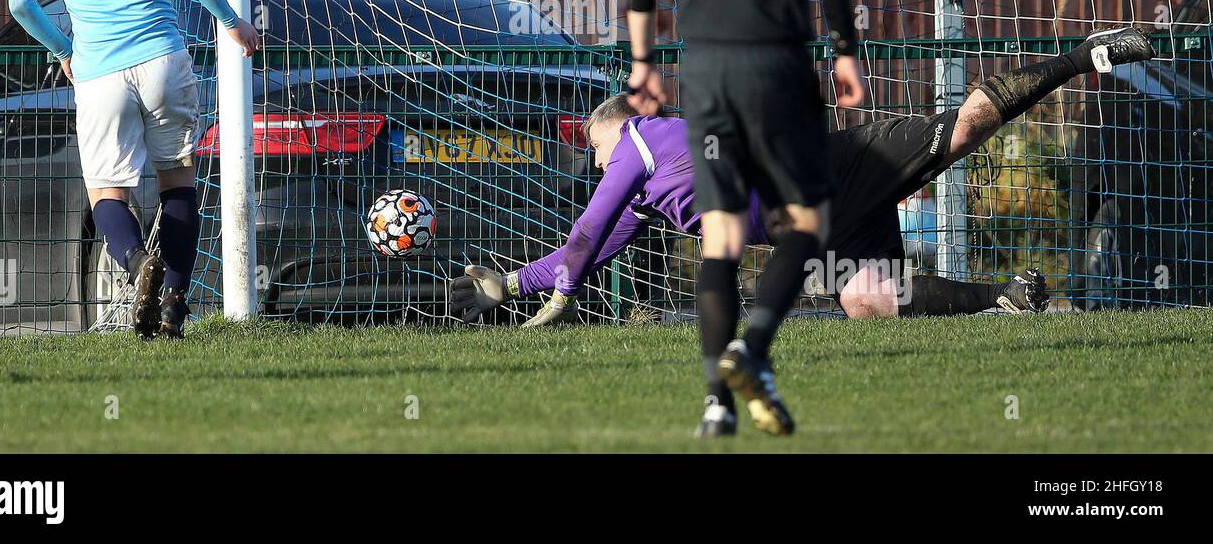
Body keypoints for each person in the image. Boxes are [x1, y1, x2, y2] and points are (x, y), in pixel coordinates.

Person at [452, 27, 1158, 437]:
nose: (596, 162)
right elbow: (589, 249)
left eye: (594, 149)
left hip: (844, 166)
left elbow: (583, 233)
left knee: (967, 128)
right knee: (867, 302)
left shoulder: (637, 140)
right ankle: (1006, 299)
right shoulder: (644, 194)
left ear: (613, 128)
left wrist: (561, 290)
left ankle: (1083, 55)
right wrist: (514, 281)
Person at [622, 0, 866, 436]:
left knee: (721, 237)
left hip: (706, 71)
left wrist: (643, 67)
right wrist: (844, 51)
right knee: (810, 221)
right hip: (778, 65)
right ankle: (752, 347)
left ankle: (715, 404)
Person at [9, 0, 261, 339]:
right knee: (176, 181)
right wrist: (231, 21)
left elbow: (20, 4)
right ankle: (172, 304)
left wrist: (64, 50)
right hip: (162, 60)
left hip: (99, 72)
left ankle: (133, 264)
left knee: (107, 193)